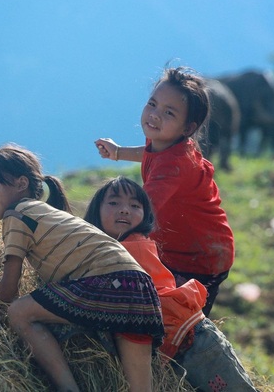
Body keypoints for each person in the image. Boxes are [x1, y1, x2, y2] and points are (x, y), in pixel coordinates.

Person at [0, 144, 164, 392]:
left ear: (21, 184)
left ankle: (68, 388)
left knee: (19, 312)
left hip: (107, 281)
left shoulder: (17, 214)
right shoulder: (49, 214)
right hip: (140, 289)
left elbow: (10, 284)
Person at [84, 176, 257, 391]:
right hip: (173, 345)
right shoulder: (112, 247)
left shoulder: (133, 245)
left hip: (194, 338)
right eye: (114, 203)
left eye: (134, 205)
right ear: (95, 211)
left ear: (145, 215)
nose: (124, 210)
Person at [95, 66, 234, 316]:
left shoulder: (174, 166)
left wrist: (97, 235)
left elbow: (142, 214)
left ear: (187, 128)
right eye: (152, 104)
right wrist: (118, 152)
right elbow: (149, 153)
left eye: (169, 112)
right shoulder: (165, 141)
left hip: (200, 259)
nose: (155, 115)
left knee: (180, 322)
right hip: (181, 247)